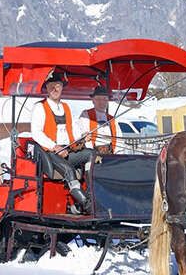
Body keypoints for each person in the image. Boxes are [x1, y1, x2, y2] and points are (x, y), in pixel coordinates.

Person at [29, 73, 93, 212]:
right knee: (68, 170)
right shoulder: (40, 107)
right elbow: (36, 133)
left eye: (58, 85)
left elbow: (73, 130)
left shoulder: (66, 107)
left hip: (68, 150)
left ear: (62, 87)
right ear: (46, 88)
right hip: (49, 153)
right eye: (51, 86)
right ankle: (87, 205)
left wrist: (82, 137)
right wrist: (54, 146)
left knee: (92, 155)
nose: (55, 88)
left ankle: (91, 195)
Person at [77, 86, 119, 155]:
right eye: (98, 99)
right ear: (93, 100)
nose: (101, 102)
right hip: (92, 154)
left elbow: (118, 138)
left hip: (111, 155)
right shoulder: (86, 115)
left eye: (104, 99)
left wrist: (117, 155)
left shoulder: (112, 119)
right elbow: (82, 134)